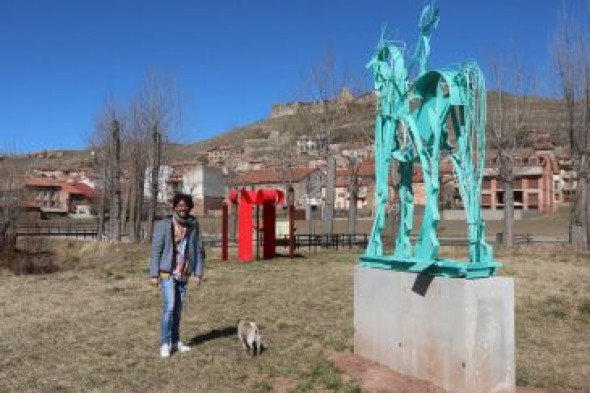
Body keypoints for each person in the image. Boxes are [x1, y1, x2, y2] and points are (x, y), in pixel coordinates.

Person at [149, 193, 205, 358]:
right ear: (174, 207)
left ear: (189, 207)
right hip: (167, 273)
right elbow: (155, 250)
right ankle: (165, 343)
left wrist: (199, 272)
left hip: (184, 272)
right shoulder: (164, 224)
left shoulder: (193, 225)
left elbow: (199, 249)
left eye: (186, 205)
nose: (183, 208)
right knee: (170, 307)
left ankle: (175, 341)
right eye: (180, 205)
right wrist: (154, 274)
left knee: (178, 310)